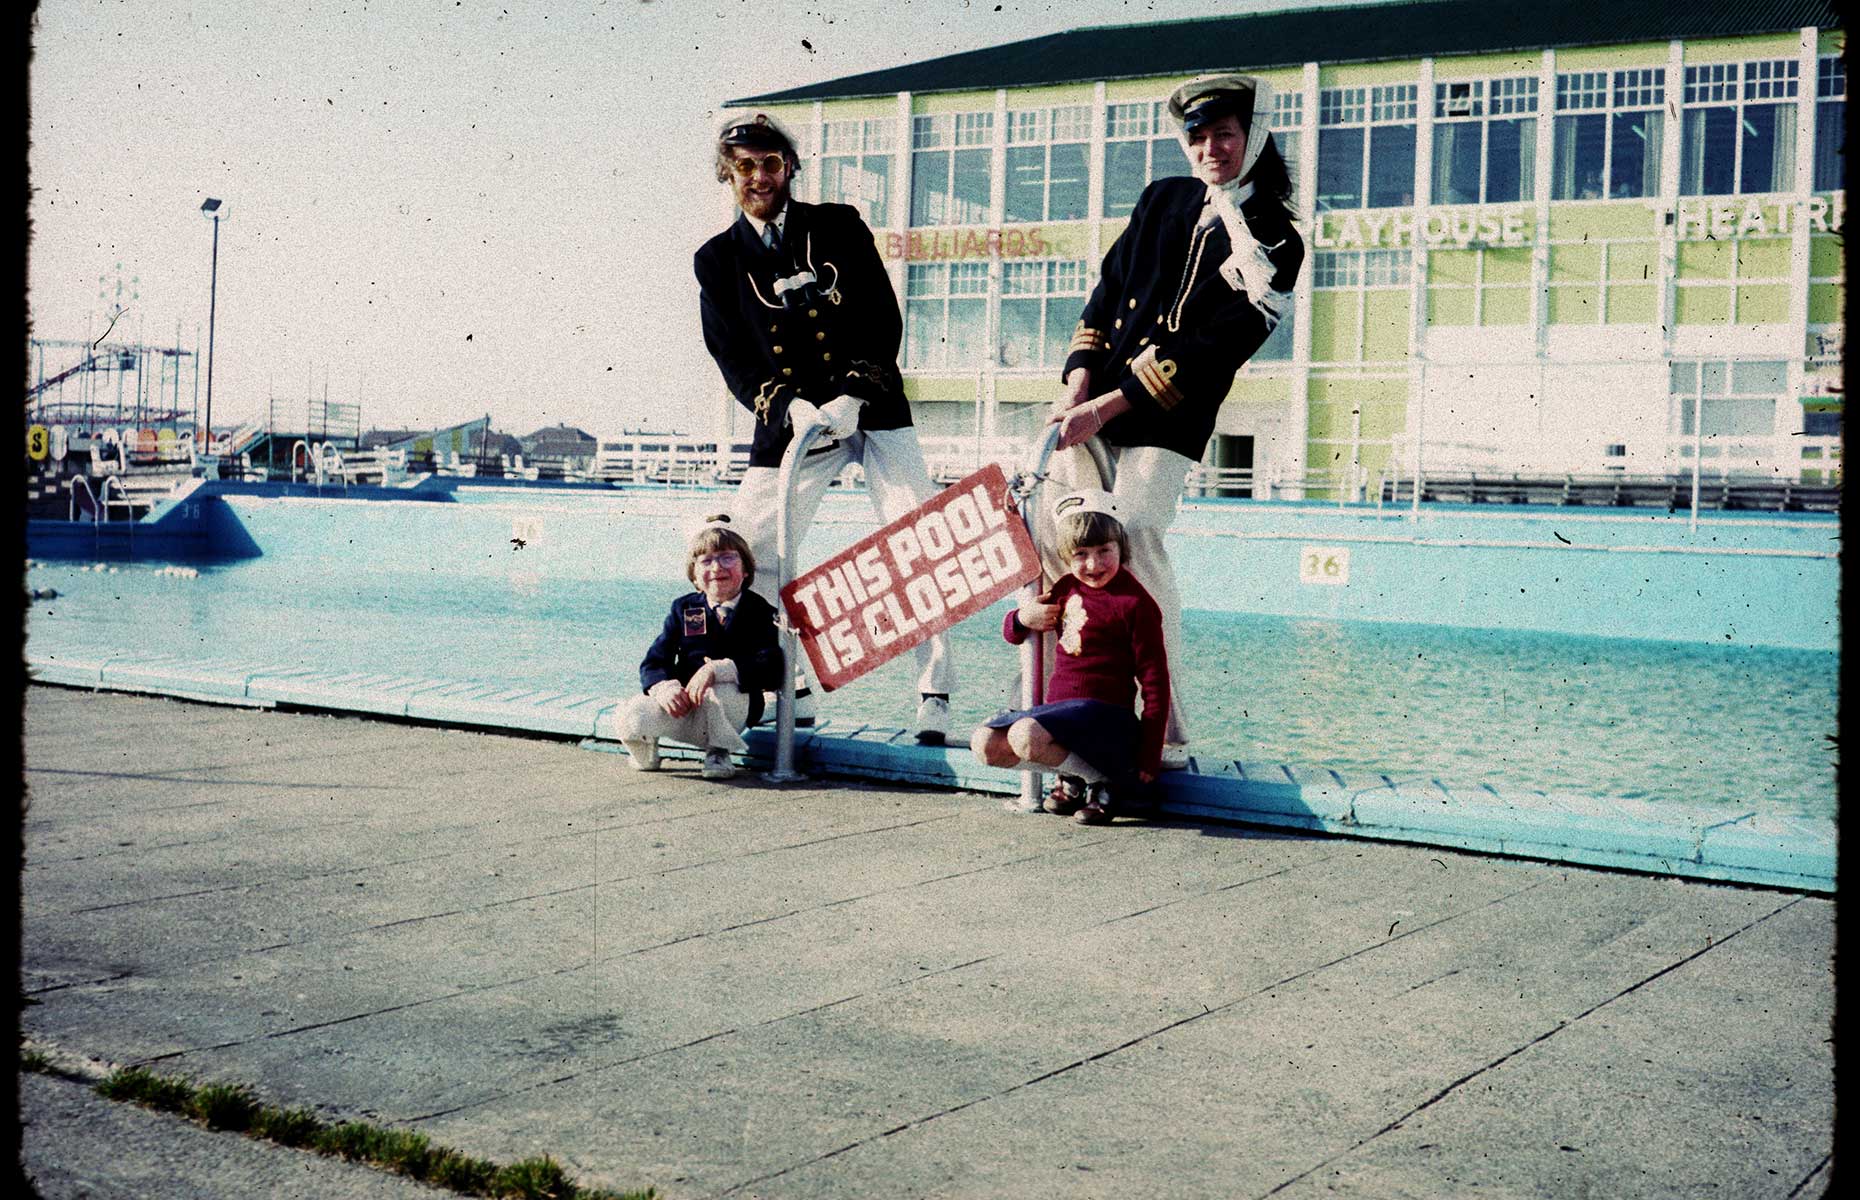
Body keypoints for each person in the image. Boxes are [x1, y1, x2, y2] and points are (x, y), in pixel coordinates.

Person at [1043, 73, 1304, 770]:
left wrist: (1107, 402)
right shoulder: (1164, 198)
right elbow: (1107, 293)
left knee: (1137, 539)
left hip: (1167, 418)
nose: (1210, 148)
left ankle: (1166, 730)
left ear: (1254, 138)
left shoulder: (1277, 241)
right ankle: (1056, 705)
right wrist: (1078, 384)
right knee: (1061, 536)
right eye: (1198, 136)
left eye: (1224, 134)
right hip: (1093, 401)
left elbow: (1208, 350)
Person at [694, 110, 956, 744]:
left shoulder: (838, 224)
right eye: (745, 166)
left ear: (791, 168)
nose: (760, 177)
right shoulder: (716, 260)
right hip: (792, 421)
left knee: (918, 536)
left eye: (771, 163)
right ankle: (795, 685)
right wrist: (788, 407)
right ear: (727, 174)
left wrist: (852, 395)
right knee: (751, 550)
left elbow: (882, 318)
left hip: (870, 404)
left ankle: (935, 693)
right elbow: (731, 356)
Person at [970, 489, 1169, 825]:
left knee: (1026, 735)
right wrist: (1022, 618)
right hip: (1062, 718)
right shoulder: (1065, 589)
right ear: (1065, 556)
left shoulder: (1136, 604)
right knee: (985, 744)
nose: (1093, 564)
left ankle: (1109, 782)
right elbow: (1012, 633)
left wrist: (1149, 758)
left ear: (1121, 546)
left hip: (1107, 721)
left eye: (1105, 550)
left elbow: (1155, 686)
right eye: (1081, 554)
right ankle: (1081, 778)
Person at [615, 515, 783, 781]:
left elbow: (772, 666)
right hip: (687, 708)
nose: (716, 567)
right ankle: (646, 749)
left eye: (727, 557)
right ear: (695, 576)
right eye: (706, 561)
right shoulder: (684, 609)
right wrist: (665, 689)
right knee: (633, 713)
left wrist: (719, 669)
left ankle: (719, 751)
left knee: (723, 690)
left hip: (733, 708)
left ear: (747, 569)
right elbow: (654, 662)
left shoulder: (761, 611)